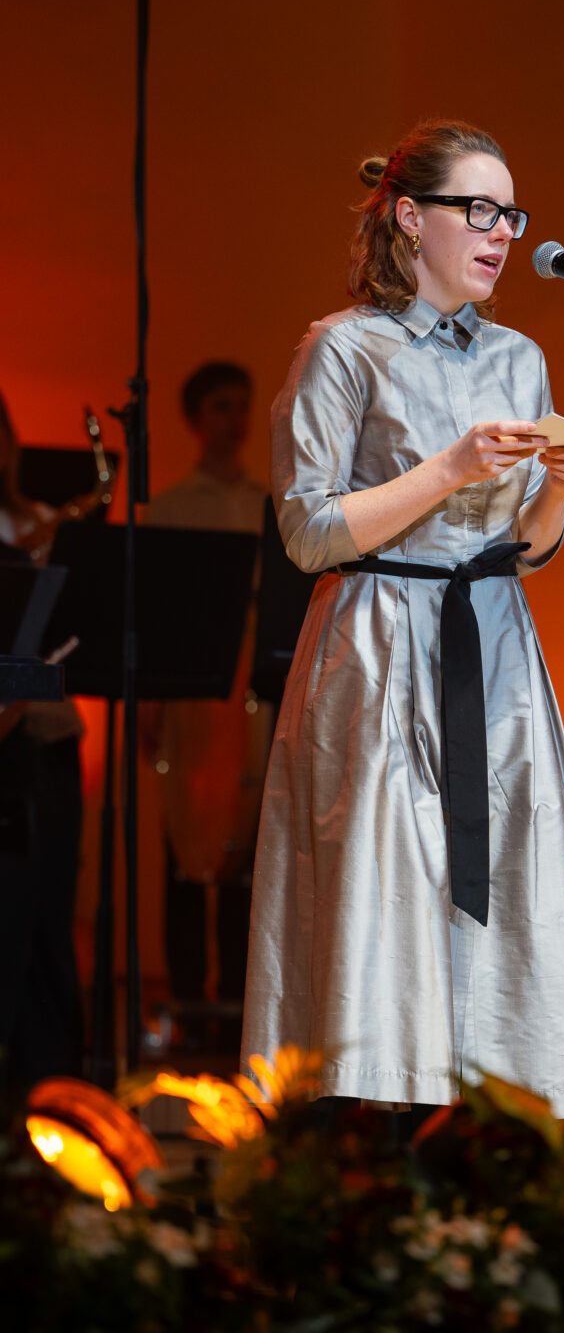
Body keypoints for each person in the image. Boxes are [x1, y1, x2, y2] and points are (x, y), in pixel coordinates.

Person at [241, 121, 564, 1116]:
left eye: (511, 216)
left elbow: (525, 550)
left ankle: (494, 1127)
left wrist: (558, 490)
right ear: (411, 217)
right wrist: (449, 467)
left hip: (492, 643)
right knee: (383, 892)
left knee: (506, 881)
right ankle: (369, 1138)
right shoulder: (342, 347)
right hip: (377, 641)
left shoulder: (520, 358)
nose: (501, 234)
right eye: (479, 210)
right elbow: (308, 533)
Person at [142, 363, 272, 1052]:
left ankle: (240, 1013)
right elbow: (158, 619)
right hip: (192, 695)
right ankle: (189, 1009)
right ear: (195, 419)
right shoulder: (169, 508)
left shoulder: (267, 504)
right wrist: (152, 707)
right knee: (186, 848)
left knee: (248, 850)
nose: (235, 420)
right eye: (222, 407)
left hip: (251, 694)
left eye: (241, 406)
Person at [0, 390, 84, 1095]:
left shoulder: (37, 520)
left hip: (46, 738)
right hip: (7, 741)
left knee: (49, 915)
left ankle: (51, 1086)